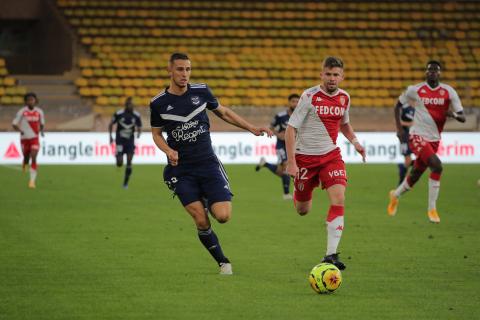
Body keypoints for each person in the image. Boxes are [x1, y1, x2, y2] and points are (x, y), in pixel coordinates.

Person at [150, 53, 272, 275]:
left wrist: (251, 128)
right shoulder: (158, 103)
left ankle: (206, 197)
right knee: (200, 218)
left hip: (208, 165)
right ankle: (223, 262)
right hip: (181, 170)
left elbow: (223, 112)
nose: (184, 74)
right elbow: (156, 134)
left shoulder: (201, 91)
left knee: (223, 216)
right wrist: (168, 150)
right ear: (169, 70)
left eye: (188, 69)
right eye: (179, 69)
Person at [285, 57, 366, 270]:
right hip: (305, 159)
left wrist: (356, 143)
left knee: (339, 199)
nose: (332, 78)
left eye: (336, 74)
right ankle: (300, 191)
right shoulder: (309, 96)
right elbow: (290, 129)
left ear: (342, 76)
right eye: (328, 74)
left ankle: (331, 254)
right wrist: (292, 162)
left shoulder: (344, 98)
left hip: (331, 156)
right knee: (303, 210)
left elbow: (345, 125)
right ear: (322, 74)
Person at [387, 60, 466, 223]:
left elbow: (463, 117)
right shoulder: (415, 90)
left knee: (415, 175)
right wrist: (399, 129)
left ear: (440, 73)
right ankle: (432, 209)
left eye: (435, 70)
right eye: (429, 70)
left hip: (434, 139)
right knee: (437, 165)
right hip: (417, 136)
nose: (432, 73)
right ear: (425, 72)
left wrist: (454, 115)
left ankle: (395, 195)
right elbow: (397, 106)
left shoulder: (448, 92)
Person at [255, 93, 300, 200]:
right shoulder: (280, 116)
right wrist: (277, 134)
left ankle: (265, 164)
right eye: (293, 101)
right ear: (289, 102)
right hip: (281, 145)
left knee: (284, 171)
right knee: (286, 166)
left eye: (297, 101)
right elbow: (271, 127)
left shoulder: (301, 116)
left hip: (294, 144)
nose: (295, 103)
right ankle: (286, 194)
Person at [12, 92, 45, 189]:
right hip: (24, 139)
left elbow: (42, 124)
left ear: (35, 101)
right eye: (29, 100)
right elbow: (14, 124)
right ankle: (25, 163)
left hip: (34, 138)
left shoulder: (39, 112)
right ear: (26, 102)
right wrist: (20, 131)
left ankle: (32, 181)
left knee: (34, 156)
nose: (31, 101)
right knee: (26, 156)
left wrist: (41, 130)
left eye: (32, 99)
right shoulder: (22, 112)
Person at [109, 97, 142, 189]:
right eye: (129, 105)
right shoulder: (119, 114)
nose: (131, 107)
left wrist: (139, 133)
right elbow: (111, 124)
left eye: (132, 105)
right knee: (119, 163)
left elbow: (139, 126)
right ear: (126, 106)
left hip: (130, 141)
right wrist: (110, 137)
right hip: (120, 140)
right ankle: (117, 155)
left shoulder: (136, 115)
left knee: (129, 162)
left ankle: (125, 183)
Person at [394, 93, 415, 185]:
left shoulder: (414, 110)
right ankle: (402, 181)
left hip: (411, 135)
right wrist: (409, 124)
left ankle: (402, 169)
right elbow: (399, 121)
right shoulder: (405, 109)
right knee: (408, 159)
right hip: (404, 135)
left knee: (409, 160)